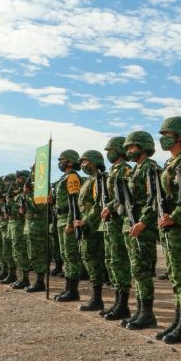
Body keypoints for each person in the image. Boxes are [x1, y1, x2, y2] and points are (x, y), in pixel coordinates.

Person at [154, 117, 181, 343]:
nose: (163, 138)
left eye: (167, 134)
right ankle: (178, 320)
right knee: (174, 276)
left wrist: (175, 217)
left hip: (179, 227)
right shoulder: (169, 164)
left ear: (179, 137)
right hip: (169, 226)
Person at [119, 131, 160, 330]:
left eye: (132, 147)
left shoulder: (150, 168)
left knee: (142, 270)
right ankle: (139, 310)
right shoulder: (136, 169)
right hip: (133, 223)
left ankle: (147, 314)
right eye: (127, 148)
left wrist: (144, 221)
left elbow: (154, 198)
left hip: (143, 225)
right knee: (136, 269)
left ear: (143, 147)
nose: (128, 151)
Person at [100, 137, 133, 320]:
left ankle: (123, 305)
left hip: (119, 220)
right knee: (112, 260)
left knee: (120, 261)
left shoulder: (125, 170)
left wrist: (109, 206)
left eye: (111, 149)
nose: (108, 153)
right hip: (111, 221)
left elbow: (124, 194)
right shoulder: (113, 170)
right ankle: (117, 302)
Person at [75, 151, 108, 311]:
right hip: (86, 226)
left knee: (94, 261)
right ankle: (95, 297)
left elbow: (98, 204)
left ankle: (97, 299)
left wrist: (86, 221)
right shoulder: (88, 181)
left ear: (94, 162)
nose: (82, 165)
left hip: (94, 227)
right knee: (88, 259)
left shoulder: (99, 180)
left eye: (85, 162)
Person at [51, 149, 83, 302]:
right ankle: (68, 288)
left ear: (70, 161)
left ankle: (73, 290)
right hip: (60, 218)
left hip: (67, 220)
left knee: (71, 255)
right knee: (65, 255)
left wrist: (71, 222)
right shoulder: (63, 178)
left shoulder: (72, 177)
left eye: (62, 159)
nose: (60, 162)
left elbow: (74, 201)